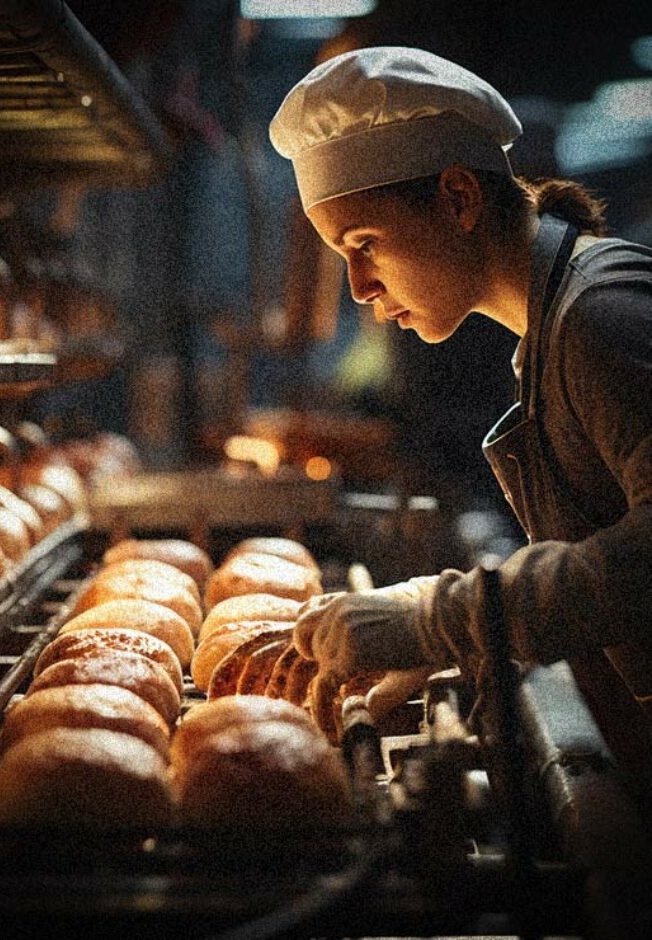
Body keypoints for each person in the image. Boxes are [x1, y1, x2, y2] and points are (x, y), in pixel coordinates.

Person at [268, 46, 652, 783]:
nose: (357, 288)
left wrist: (439, 619)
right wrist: (462, 642)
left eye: (364, 243)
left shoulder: (599, 316)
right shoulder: (548, 333)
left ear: (457, 198)